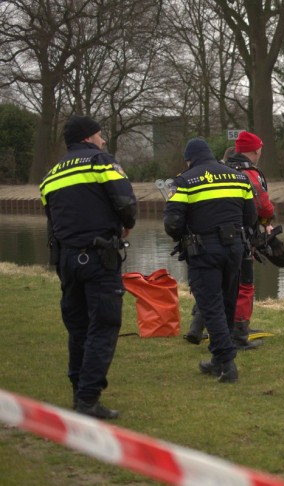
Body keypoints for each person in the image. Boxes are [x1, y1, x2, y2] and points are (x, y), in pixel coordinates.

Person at [39, 115, 137, 419]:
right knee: (104, 325)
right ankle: (88, 399)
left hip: (67, 260)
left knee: (78, 326)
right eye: (100, 134)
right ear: (87, 138)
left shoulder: (51, 176)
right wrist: (127, 224)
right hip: (98, 257)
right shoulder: (101, 162)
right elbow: (126, 201)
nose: (104, 140)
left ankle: (77, 392)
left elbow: (52, 222)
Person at [164, 138, 257, 383]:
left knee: (210, 304)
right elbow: (251, 216)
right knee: (227, 301)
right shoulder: (239, 177)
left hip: (204, 249)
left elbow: (172, 224)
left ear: (189, 159)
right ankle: (218, 360)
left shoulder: (184, 181)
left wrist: (187, 232)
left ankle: (227, 363)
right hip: (235, 247)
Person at [183, 131, 276, 349]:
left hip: (207, 240)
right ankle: (238, 335)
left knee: (213, 284)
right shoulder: (249, 174)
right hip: (239, 239)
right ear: (255, 150)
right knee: (244, 285)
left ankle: (198, 329)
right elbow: (261, 206)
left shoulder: (220, 169)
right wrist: (267, 221)